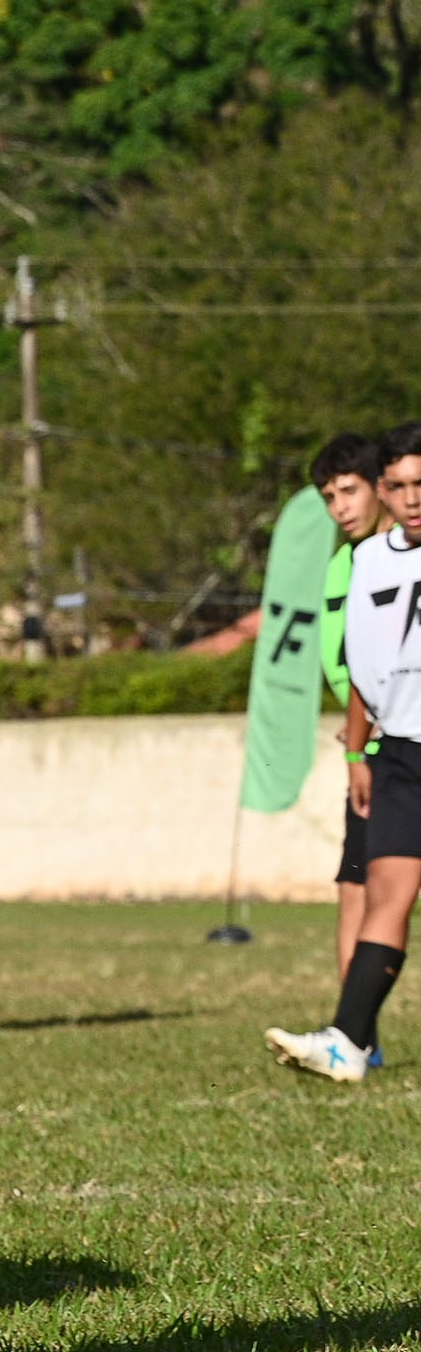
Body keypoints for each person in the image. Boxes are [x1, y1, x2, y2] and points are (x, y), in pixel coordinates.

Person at [270, 420, 421, 1083]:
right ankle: (349, 1042)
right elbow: (362, 664)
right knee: (383, 891)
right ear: (385, 490)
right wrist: (358, 755)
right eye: (399, 485)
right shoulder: (370, 561)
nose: (411, 497)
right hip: (399, 755)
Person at [311, 433, 385, 1005]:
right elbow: (348, 657)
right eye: (330, 498)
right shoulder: (344, 565)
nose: (340, 509)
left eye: (349, 492)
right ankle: (356, 1033)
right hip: (373, 758)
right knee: (355, 886)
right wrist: (358, 724)